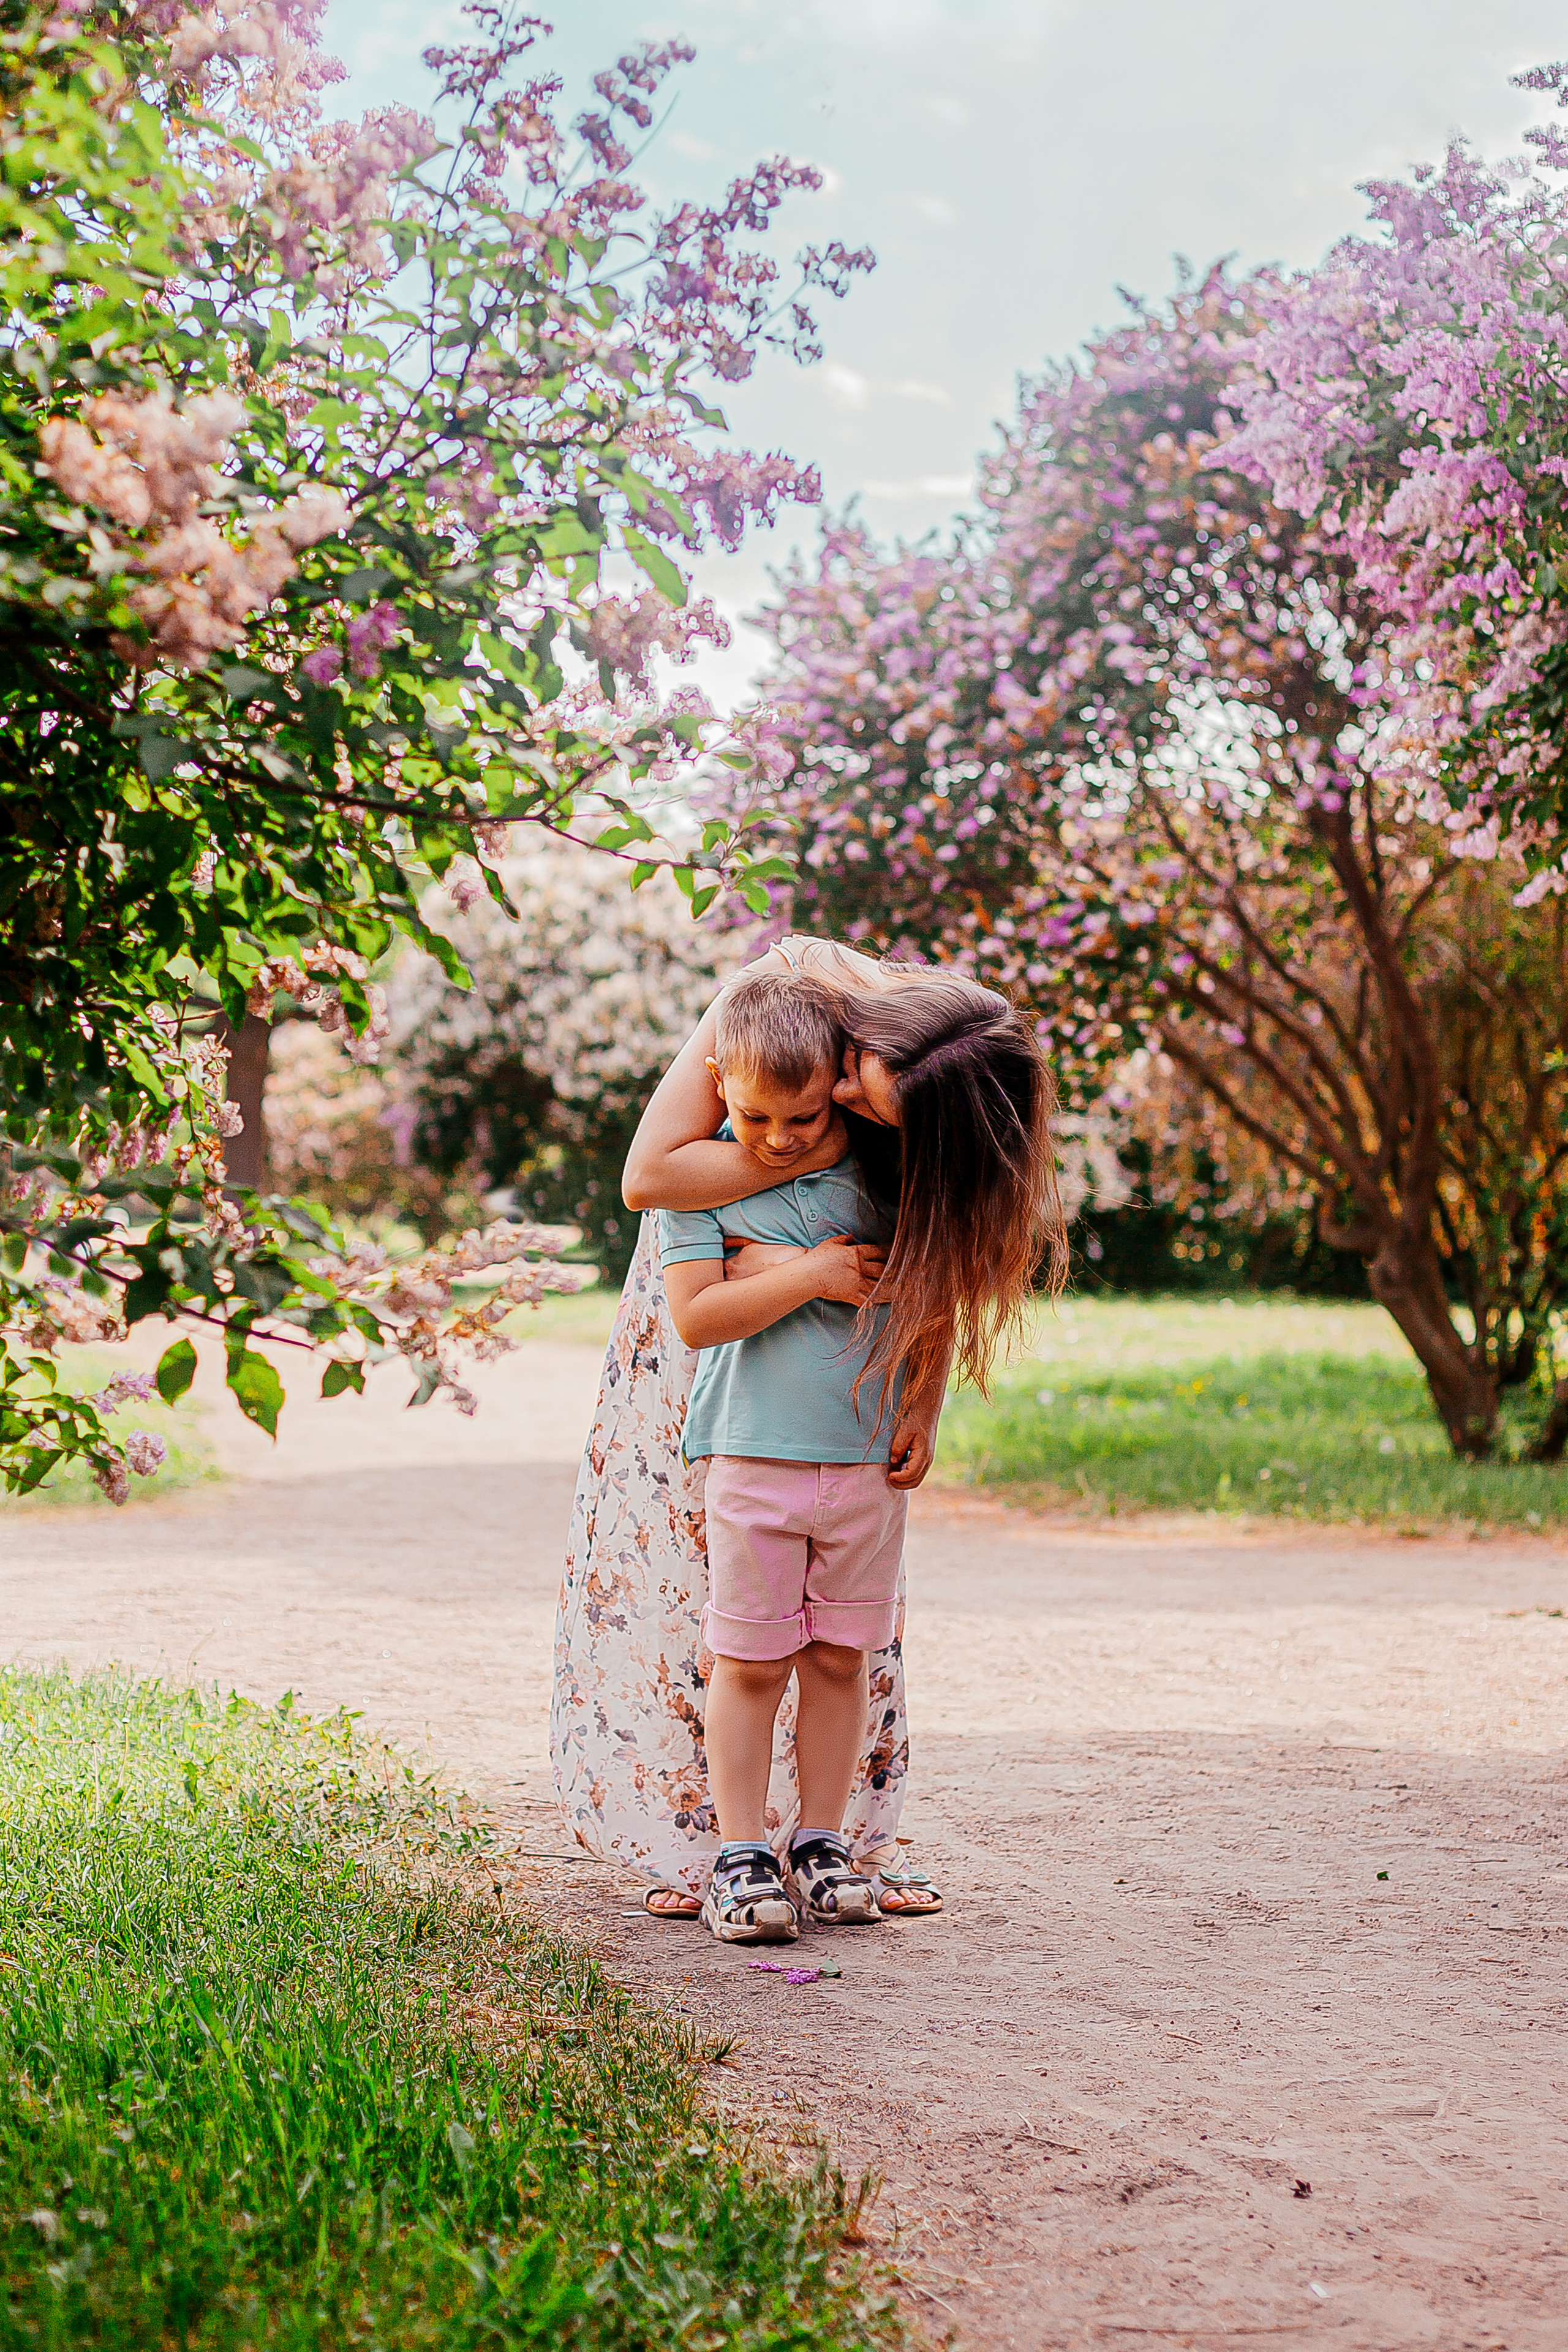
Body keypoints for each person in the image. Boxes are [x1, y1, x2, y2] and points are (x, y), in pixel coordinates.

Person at [550, 933, 1065, 1918]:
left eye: (857, 1115)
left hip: (849, 1402)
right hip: (734, 1370)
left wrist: (920, 1394)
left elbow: (926, 1260)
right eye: (867, 1096)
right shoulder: (776, 1004)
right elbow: (652, 1177)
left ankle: (831, 1839)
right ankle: (711, 1842)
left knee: (841, 1636)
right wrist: (801, 1235)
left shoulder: (920, 1089)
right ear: (869, 1043)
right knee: (717, 1613)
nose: (863, 1118)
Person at [657, 968, 940, 1941]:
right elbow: (698, 1317)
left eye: (807, 1120)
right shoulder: (700, 1186)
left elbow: (930, 1290)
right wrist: (818, 1271)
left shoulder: (883, 1173)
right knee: (746, 1660)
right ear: (718, 1083)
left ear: (839, 1091)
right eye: (754, 1117)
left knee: (837, 1657)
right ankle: (740, 1855)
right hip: (753, 1455)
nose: (778, 1141)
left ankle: (822, 1841)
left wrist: (926, 1408)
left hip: (864, 1459)